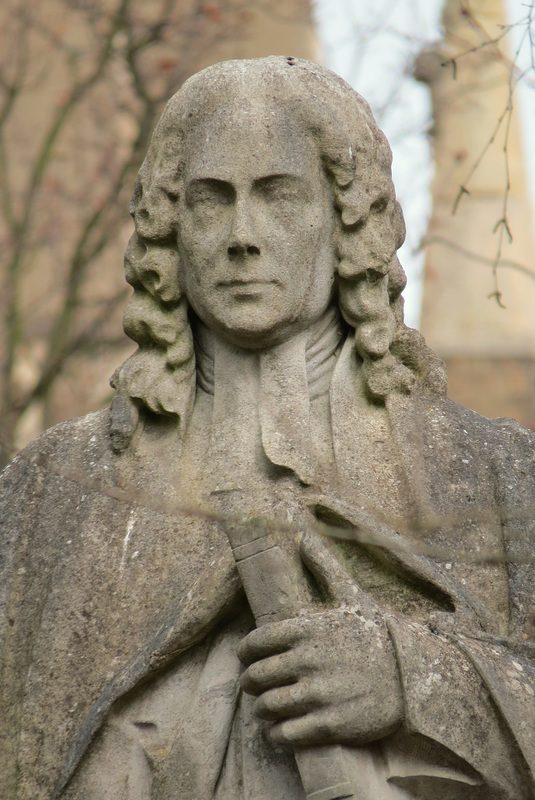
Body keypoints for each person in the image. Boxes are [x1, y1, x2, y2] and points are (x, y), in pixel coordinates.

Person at [1, 57, 535, 800]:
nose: (241, 236)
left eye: (278, 197)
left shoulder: (492, 473)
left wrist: (411, 680)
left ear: (345, 218)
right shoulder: (48, 495)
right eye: (210, 201)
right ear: (170, 228)